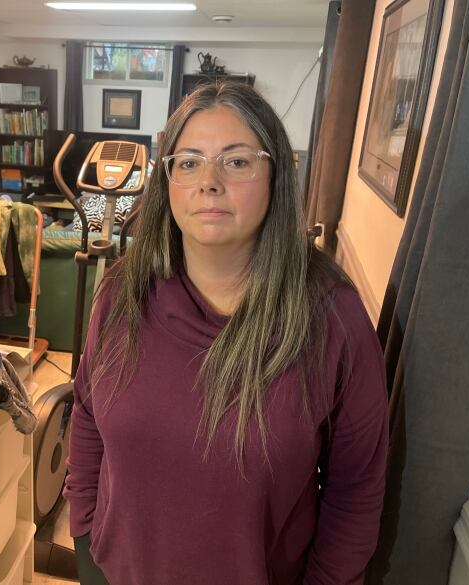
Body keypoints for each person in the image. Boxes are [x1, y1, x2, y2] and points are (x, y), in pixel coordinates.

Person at [63, 81, 388, 585]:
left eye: (236, 161)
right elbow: (85, 414)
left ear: (276, 174)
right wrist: (85, 532)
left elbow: (357, 491)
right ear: (167, 180)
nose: (208, 182)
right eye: (188, 162)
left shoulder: (333, 319)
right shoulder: (122, 292)